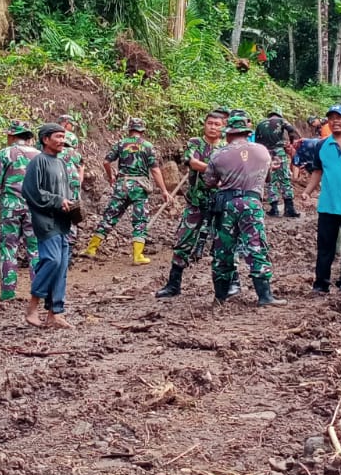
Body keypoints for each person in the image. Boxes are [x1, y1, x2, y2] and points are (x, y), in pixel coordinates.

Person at [203, 112, 280, 305]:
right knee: (255, 246)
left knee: (223, 249)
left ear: (228, 133)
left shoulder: (218, 154)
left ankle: (220, 296)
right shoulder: (262, 151)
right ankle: (265, 296)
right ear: (247, 132)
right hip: (252, 203)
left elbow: (209, 182)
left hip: (227, 205)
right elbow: (268, 178)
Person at [156, 109, 226, 299]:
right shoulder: (195, 143)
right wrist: (216, 170)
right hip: (196, 202)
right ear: (204, 124)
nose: (212, 127)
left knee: (223, 244)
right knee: (183, 240)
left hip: (219, 203)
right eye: (209, 123)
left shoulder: (226, 148)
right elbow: (192, 162)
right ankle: (173, 285)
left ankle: (223, 289)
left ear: (223, 127)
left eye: (217, 124)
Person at [81, 118, 172, 264]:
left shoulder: (121, 144)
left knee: (110, 215)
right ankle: (137, 256)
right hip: (139, 187)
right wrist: (164, 190)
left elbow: (106, 162)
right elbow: (155, 169)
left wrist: (111, 177)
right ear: (142, 131)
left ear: (129, 130)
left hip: (122, 185)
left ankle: (91, 249)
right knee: (140, 220)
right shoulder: (147, 146)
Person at [303, 105, 341, 295]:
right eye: (331, 118)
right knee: (325, 248)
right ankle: (321, 284)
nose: (335, 121)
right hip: (328, 205)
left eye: (340, 117)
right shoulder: (321, 145)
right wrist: (307, 192)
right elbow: (317, 171)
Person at [22, 123, 76, 328]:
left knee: (61, 266)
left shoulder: (60, 163)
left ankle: (54, 313)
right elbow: (31, 192)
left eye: (64, 137)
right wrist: (57, 201)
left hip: (62, 222)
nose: (63, 140)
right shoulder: (38, 162)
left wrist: (70, 205)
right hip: (46, 221)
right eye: (59, 136)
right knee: (52, 260)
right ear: (45, 139)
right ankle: (32, 308)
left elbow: (66, 191)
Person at [0, 121, 40, 302]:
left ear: (11, 136)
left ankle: (8, 292)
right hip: (34, 207)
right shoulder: (39, 156)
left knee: (9, 248)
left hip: (10, 207)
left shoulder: (5, 153)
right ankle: (38, 289)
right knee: (35, 249)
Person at [255, 109, 300, 217]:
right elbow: (292, 131)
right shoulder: (281, 120)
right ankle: (289, 208)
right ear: (279, 114)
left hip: (265, 153)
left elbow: (256, 142)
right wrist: (291, 141)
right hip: (279, 152)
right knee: (284, 178)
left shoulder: (260, 124)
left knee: (270, 180)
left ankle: (274, 208)